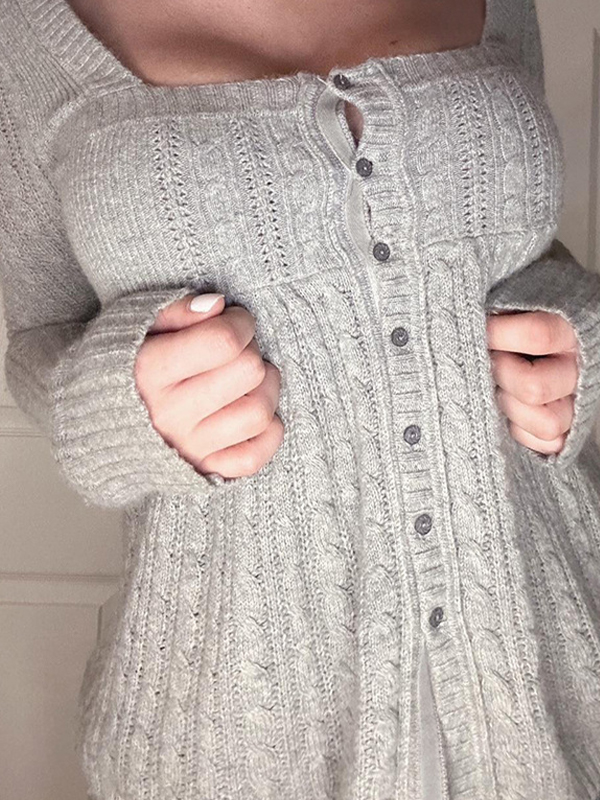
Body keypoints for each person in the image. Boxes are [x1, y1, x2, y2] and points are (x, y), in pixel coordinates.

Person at [1, 0, 600, 798]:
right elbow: (41, 334)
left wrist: (575, 337)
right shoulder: (28, 31)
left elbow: (517, 248)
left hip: (558, 667)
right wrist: (115, 406)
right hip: (241, 716)